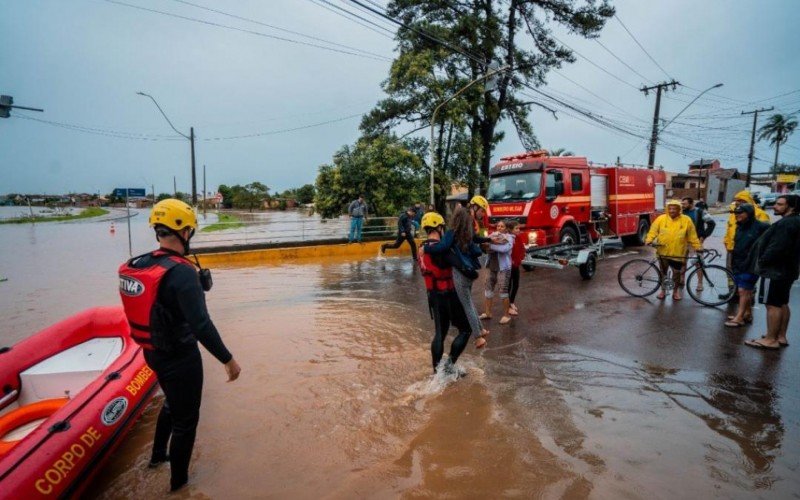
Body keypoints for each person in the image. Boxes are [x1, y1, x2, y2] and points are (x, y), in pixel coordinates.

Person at [118, 199, 241, 492]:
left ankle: (157, 457)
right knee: (187, 422)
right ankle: (179, 487)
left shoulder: (142, 263)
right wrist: (228, 359)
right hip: (180, 357)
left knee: (172, 404)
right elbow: (201, 325)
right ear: (184, 231)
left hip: (153, 353)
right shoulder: (182, 272)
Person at [422, 201, 490, 348]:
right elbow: (476, 248)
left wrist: (426, 248)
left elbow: (442, 246)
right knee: (469, 301)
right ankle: (481, 329)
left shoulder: (452, 233)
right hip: (469, 271)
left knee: (466, 305)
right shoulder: (467, 233)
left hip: (459, 275)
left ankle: (478, 337)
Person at [418, 212, 471, 374]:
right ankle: (449, 365)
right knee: (466, 330)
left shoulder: (422, 248)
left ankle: (436, 372)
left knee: (440, 333)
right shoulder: (440, 249)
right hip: (448, 294)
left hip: (433, 296)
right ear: (439, 227)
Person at [745, 194, 800, 350]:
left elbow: (777, 247)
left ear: (792, 207)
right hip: (787, 270)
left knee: (772, 304)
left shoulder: (786, 224)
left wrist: (762, 261)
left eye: (780, 204)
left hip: (774, 271)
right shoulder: (795, 222)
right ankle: (780, 336)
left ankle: (770, 339)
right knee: (782, 303)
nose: (775, 206)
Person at [645, 199, 703, 301]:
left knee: (676, 273)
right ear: (667, 209)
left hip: (678, 253)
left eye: (674, 209)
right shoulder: (661, 219)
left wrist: (698, 247)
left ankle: (675, 292)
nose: (672, 211)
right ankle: (663, 291)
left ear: (679, 209)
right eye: (670, 208)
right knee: (663, 272)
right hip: (662, 251)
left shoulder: (686, 220)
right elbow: (653, 230)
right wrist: (649, 240)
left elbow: (692, 236)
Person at [724, 203, 769, 327]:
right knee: (745, 291)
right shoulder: (740, 226)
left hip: (751, 264)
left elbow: (770, 242)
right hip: (738, 262)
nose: (737, 215)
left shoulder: (761, 226)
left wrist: (762, 257)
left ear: (749, 214)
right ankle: (747, 314)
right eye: (736, 213)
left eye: (740, 213)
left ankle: (739, 317)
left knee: (743, 290)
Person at [723, 190, 771, 296]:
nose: (738, 202)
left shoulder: (760, 214)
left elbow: (766, 234)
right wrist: (726, 241)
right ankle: (733, 292)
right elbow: (729, 228)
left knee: (749, 273)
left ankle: (750, 293)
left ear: (748, 200)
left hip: (750, 250)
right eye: (736, 200)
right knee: (731, 271)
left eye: (741, 200)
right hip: (732, 248)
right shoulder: (735, 213)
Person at [480, 221, 514, 324]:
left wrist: (490, 246)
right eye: (498, 226)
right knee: (488, 289)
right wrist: (489, 245)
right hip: (492, 267)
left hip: (503, 269)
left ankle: (507, 315)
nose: (499, 228)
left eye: (502, 226)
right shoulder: (492, 236)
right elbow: (484, 247)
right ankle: (488, 313)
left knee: (503, 291)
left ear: (506, 228)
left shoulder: (509, 238)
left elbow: (504, 249)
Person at [681, 197, 716, 291]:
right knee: (682, 262)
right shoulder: (682, 212)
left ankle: (700, 283)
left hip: (696, 242)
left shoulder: (700, 212)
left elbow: (711, 223)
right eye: (682, 204)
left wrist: (703, 236)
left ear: (691, 203)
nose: (682, 206)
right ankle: (681, 280)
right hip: (682, 241)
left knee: (698, 263)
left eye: (684, 204)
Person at [506, 220, 525, 317]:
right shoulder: (507, 238)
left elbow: (522, 249)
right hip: (509, 266)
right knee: (508, 286)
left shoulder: (518, 238)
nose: (518, 230)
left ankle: (512, 302)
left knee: (516, 284)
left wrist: (521, 258)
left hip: (516, 265)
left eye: (519, 228)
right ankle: (508, 306)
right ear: (510, 230)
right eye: (516, 228)